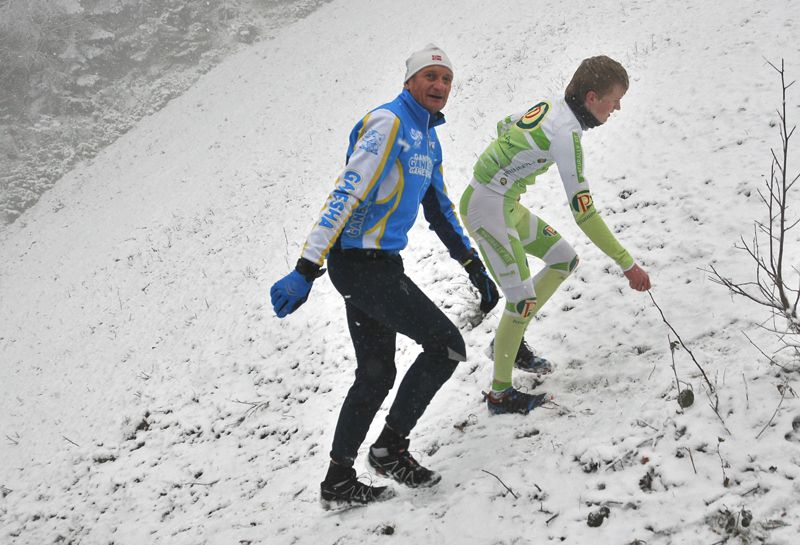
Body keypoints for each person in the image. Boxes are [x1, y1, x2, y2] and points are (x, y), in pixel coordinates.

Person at [270, 44, 499, 507]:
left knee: (375, 376)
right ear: (410, 81)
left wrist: (472, 264)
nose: (439, 86)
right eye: (430, 76)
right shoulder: (388, 123)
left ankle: (338, 481)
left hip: (382, 264)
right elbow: (346, 193)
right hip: (357, 263)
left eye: (446, 79)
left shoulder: (429, 140)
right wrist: (305, 268)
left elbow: (439, 210)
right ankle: (390, 449)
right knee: (446, 345)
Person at [459, 55, 651, 415]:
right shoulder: (567, 134)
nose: (618, 108)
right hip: (487, 208)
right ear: (592, 98)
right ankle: (500, 396)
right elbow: (584, 212)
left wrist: (509, 166)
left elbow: (506, 124)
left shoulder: (553, 107)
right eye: (615, 100)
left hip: (504, 203)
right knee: (521, 301)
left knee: (564, 260)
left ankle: (509, 342)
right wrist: (627, 264)